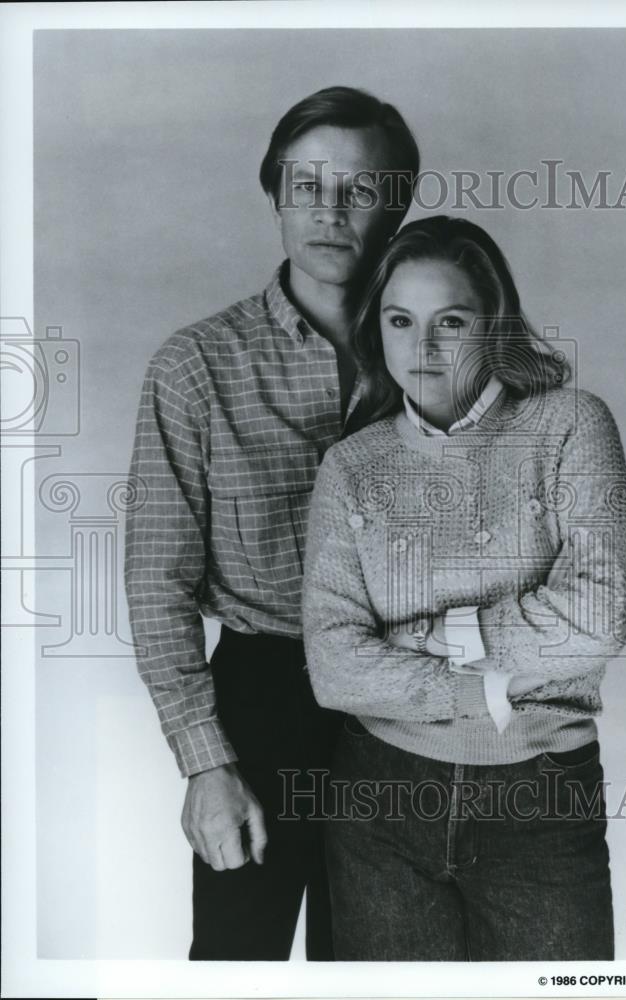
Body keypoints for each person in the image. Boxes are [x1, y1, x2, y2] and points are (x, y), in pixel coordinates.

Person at [124, 86, 419, 960]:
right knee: (232, 966)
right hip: (263, 695)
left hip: (405, 700)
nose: (330, 212)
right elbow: (156, 580)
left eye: (359, 190)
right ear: (275, 195)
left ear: (396, 202)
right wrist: (206, 764)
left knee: (382, 968)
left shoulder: (438, 353)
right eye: (307, 186)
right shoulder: (196, 366)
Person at [302, 215, 626, 960]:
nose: (421, 349)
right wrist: (495, 685)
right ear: (377, 329)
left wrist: (434, 640)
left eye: (449, 322)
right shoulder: (352, 466)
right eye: (400, 320)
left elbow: (598, 616)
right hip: (379, 800)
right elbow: (334, 666)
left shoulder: (571, 427)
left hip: (539, 796)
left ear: (495, 325)